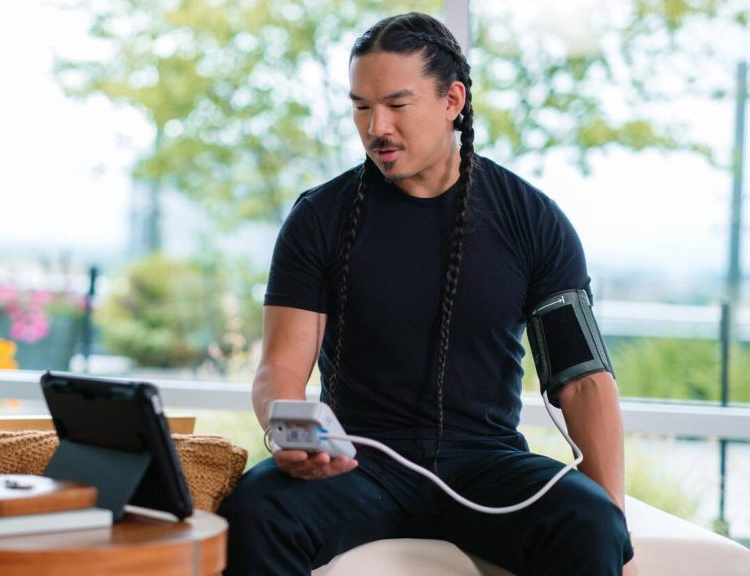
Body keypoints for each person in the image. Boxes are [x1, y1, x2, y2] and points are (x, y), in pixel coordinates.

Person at [218, 12, 636, 576]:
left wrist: (615, 521)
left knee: (590, 520)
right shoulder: (319, 217)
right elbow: (279, 370)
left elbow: (583, 379)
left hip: (486, 463)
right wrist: (292, 433)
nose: (376, 127)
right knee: (257, 509)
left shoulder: (532, 218)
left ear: (452, 100)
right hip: (358, 463)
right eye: (361, 107)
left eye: (396, 104)